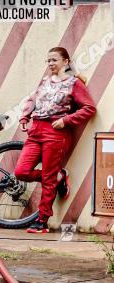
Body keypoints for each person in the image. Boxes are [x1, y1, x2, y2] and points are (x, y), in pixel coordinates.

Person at [15, 47, 96, 234]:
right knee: (21, 171)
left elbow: (89, 108)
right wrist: (24, 118)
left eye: (54, 60)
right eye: (48, 60)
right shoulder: (44, 81)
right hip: (35, 131)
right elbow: (32, 100)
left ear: (65, 62)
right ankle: (59, 177)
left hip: (55, 132)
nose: (51, 64)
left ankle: (42, 220)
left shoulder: (74, 83)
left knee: (48, 178)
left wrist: (66, 120)